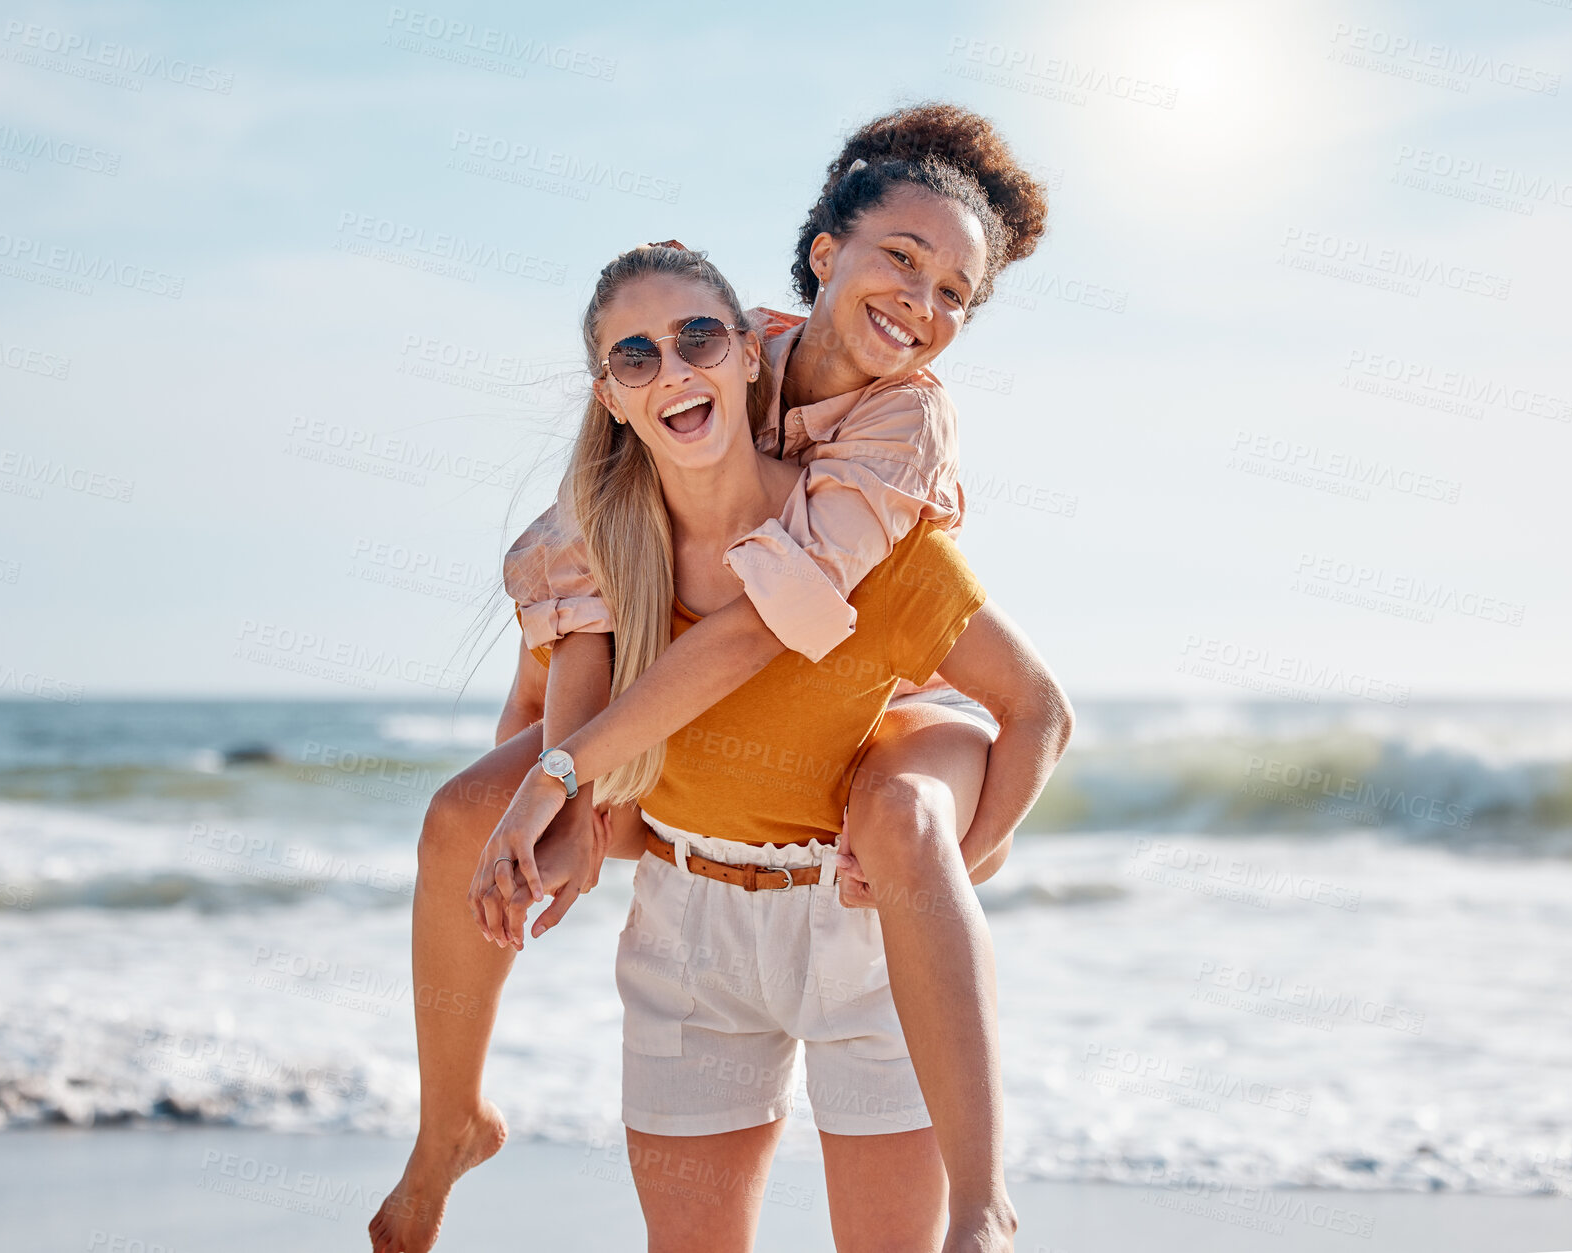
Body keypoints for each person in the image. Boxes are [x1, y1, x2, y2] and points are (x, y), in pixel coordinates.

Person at [370, 104, 1072, 1253]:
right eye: (903, 258)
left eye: (957, 291)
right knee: (466, 811)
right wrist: (556, 797)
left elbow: (764, 628)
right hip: (700, 902)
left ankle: (982, 1202)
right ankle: (449, 1119)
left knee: (896, 809)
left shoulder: (897, 446)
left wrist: (959, 862)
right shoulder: (700, 376)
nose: (924, 301)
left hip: (861, 754)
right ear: (815, 264)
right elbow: (572, 599)